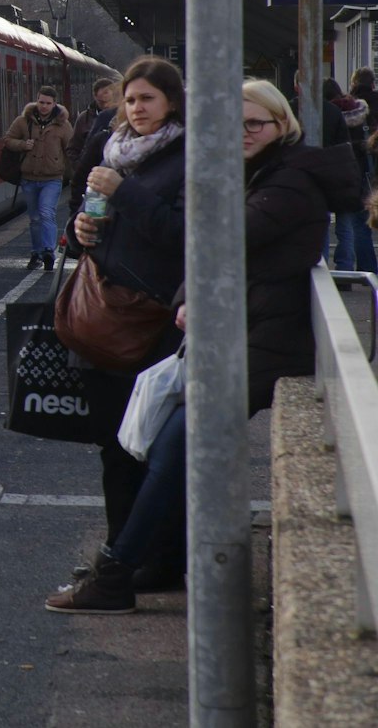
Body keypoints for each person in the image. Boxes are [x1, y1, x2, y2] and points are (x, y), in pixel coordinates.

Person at [48, 79, 359, 613]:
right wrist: (192, 292)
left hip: (269, 341)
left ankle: (118, 570)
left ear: (281, 125)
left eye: (253, 124)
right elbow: (209, 251)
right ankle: (127, 565)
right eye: (230, 126)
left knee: (176, 442)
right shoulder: (261, 173)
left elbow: (217, 239)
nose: (241, 134)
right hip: (247, 333)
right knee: (168, 440)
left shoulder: (287, 183)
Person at [58, 56, 189, 587]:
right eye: (130, 99)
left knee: (153, 448)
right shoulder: (112, 153)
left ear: (172, 103)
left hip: (156, 320)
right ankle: (121, 552)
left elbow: (183, 234)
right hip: (105, 314)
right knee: (114, 448)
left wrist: (122, 191)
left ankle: (158, 560)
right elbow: (94, 217)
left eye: (147, 99)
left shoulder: (186, 158)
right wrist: (81, 228)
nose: (136, 108)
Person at [3, 85, 74, 270]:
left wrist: (73, 174)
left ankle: (49, 251)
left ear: (54, 104)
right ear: (37, 100)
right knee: (34, 218)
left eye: (48, 103)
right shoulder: (23, 121)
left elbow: (71, 149)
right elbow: (8, 140)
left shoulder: (63, 124)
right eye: (41, 102)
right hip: (29, 177)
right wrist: (22, 145)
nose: (43, 106)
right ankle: (36, 252)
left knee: (46, 213)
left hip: (52, 178)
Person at [324, 79, 375, 270]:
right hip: (357, 176)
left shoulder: (326, 115)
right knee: (354, 226)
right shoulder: (362, 111)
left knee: (326, 223)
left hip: (331, 174)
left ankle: (334, 270)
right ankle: (357, 268)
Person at [64, 77, 120, 208]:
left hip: (107, 182)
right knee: (93, 220)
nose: (105, 105)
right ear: (95, 97)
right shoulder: (87, 118)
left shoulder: (121, 115)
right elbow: (73, 146)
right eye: (101, 101)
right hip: (94, 181)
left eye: (107, 100)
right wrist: (79, 165)